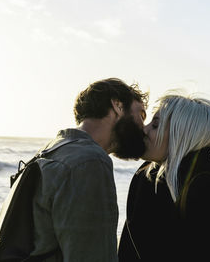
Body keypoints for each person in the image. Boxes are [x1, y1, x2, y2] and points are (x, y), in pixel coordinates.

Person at [31, 78, 148, 262]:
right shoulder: (90, 162)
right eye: (141, 114)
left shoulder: (51, 151)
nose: (144, 128)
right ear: (117, 105)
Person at [118, 93, 210, 262]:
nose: (145, 129)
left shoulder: (204, 188)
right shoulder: (145, 175)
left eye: (155, 125)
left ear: (180, 136)